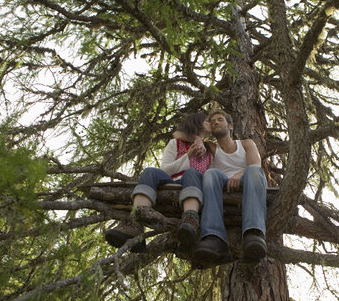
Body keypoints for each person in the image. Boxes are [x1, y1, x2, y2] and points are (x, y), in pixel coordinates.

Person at [105, 113, 211, 252]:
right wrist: (188, 155)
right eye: (207, 121)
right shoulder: (175, 143)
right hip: (171, 182)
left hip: (193, 185)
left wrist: (199, 140)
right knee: (150, 171)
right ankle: (135, 222)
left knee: (191, 172)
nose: (211, 123)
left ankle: (190, 218)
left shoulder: (210, 150)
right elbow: (166, 170)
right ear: (197, 122)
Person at [181, 109, 267, 264]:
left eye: (220, 119)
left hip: (248, 182)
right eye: (212, 121)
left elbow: (255, 164)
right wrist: (199, 138)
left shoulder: (247, 144)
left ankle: (253, 233)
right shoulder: (212, 147)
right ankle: (214, 237)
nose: (215, 122)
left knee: (254, 170)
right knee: (211, 173)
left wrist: (238, 176)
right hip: (221, 185)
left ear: (231, 126)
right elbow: (179, 135)